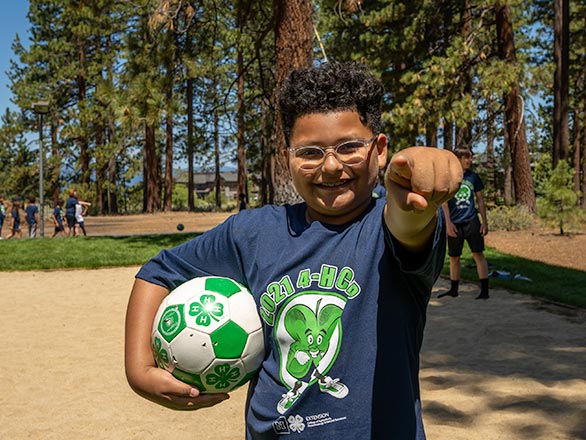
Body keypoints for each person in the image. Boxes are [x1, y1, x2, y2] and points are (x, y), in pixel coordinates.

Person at [125, 62, 462, 439]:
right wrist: (139, 371)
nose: (331, 166)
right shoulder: (252, 233)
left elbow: (409, 223)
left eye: (349, 147)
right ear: (288, 157)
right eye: (310, 152)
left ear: (379, 150)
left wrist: (420, 178)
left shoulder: (385, 230)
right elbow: (159, 270)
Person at [438, 147, 489, 300]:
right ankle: (454, 289)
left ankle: (485, 290)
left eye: (470, 157)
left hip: (472, 221)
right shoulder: (449, 178)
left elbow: (480, 200)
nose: (469, 161)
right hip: (454, 223)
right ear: (457, 158)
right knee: (454, 257)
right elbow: (444, 203)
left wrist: (484, 222)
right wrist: (447, 223)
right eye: (466, 157)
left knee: (478, 254)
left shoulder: (474, 177)